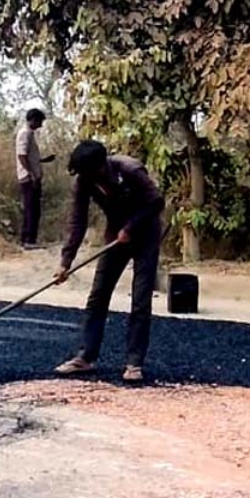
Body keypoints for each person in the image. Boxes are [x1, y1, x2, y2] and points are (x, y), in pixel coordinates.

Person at [52, 139, 166, 382]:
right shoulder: (84, 180)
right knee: (98, 295)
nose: (84, 177)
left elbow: (156, 202)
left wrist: (131, 227)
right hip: (115, 235)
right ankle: (85, 357)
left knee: (140, 299)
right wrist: (66, 261)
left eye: (88, 172)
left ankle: (134, 364)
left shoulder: (130, 170)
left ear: (101, 166)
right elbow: (77, 221)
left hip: (145, 234)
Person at [15, 108, 54, 249]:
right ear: (33, 120)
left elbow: (28, 157)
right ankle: (28, 240)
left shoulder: (29, 134)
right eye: (40, 121)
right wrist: (32, 174)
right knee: (32, 209)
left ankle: (29, 239)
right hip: (28, 178)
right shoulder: (24, 134)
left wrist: (42, 160)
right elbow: (21, 155)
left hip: (31, 176)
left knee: (33, 208)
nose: (41, 125)